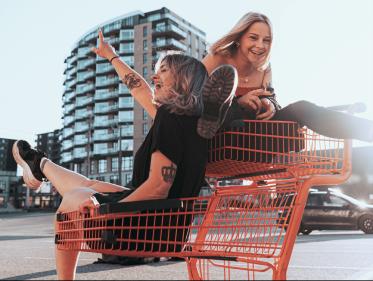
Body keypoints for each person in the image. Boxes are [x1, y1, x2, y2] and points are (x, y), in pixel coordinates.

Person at [12, 29, 237, 280]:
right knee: (91, 186)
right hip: (171, 228)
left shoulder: (170, 118)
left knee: (75, 200)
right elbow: (139, 89)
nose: (154, 76)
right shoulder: (191, 123)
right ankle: (39, 163)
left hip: (145, 229)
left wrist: (109, 209)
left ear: (183, 78)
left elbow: (158, 187)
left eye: (163, 70)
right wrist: (112, 56)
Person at [199, 12, 373, 142]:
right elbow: (194, 103)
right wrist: (239, 103)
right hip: (223, 138)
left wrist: (271, 106)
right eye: (253, 38)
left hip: (256, 137)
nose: (260, 46)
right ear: (239, 38)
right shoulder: (217, 59)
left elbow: (273, 101)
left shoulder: (264, 67)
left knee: (302, 108)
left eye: (266, 40)